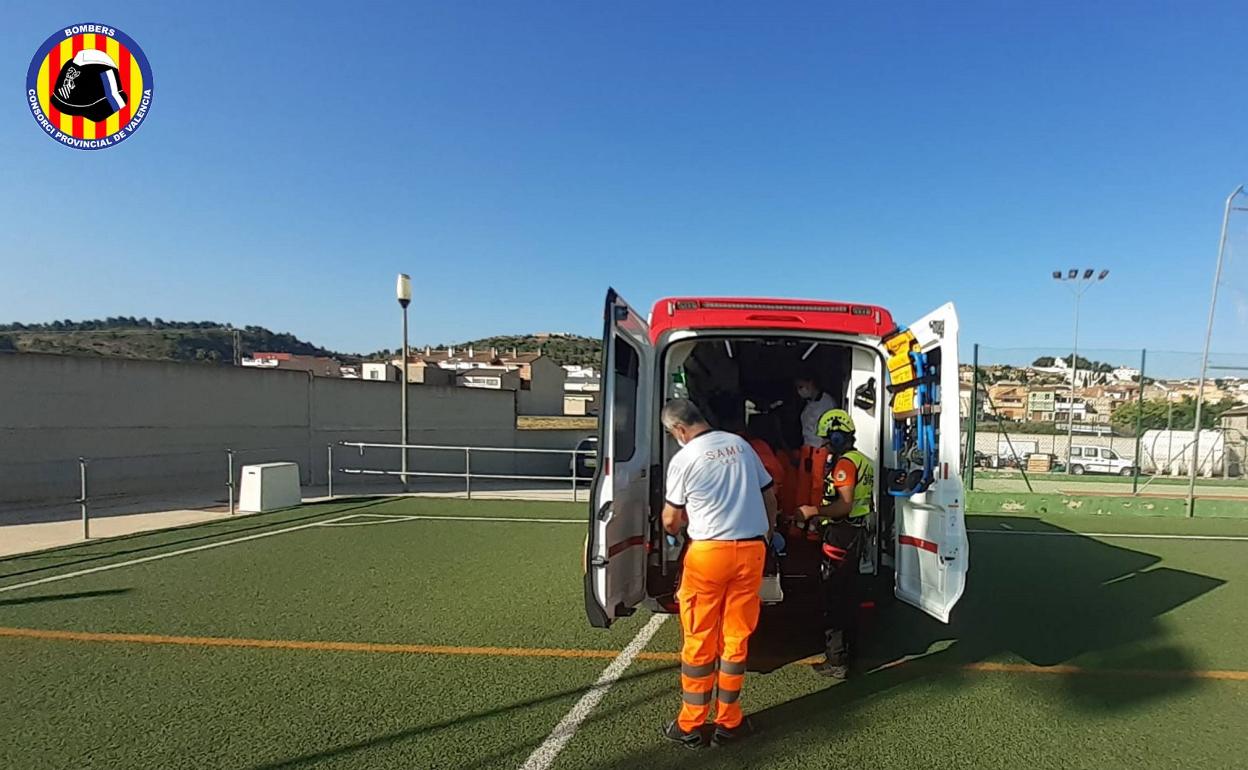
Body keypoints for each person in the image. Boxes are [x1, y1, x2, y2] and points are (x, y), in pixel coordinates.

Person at [659, 399, 778, 749]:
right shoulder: (739, 445)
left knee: (699, 639)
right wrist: (768, 534)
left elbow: (670, 518)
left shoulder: (684, 459)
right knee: (736, 638)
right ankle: (730, 720)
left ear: (679, 430)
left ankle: (691, 724)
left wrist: (674, 533)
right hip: (751, 551)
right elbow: (768, 493)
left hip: (709, 554)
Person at [795, 408, 874, 679]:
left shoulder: (845, 465)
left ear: (838, 438)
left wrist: (813, 512)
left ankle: (837, 660)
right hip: (856, 535)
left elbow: (843, 505)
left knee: (835, 599)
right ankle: (851, 654)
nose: (826, 447)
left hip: (841, 536)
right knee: (849, 596)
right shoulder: (863, 460)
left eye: (828, 441)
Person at [794, 375, 839, 448]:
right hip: (807, 448)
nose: (799, 391)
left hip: (820, 449)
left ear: (810, 383)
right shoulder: (807, 404)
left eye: (801, 387)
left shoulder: (827, 402)